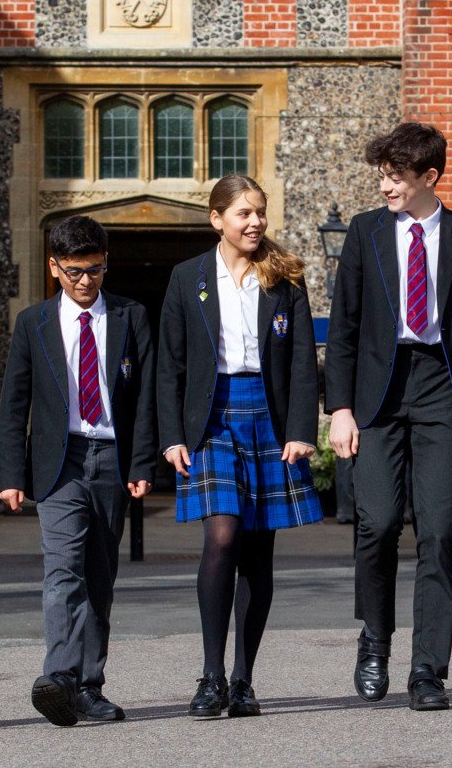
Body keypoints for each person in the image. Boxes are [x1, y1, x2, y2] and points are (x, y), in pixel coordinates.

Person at [324, 122, 452, 711]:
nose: (386, 186)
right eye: (382, 175)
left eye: (396, 177)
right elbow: (343, 327)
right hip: (376, 389)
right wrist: (338, 408)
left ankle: (428, 669)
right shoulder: (365, 232)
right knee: (375, 523)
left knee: (441, 531)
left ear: (429, 177)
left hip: (439, 391)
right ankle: (374, 640)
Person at [157, 174, 322, 719]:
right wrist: (172, 435)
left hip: (270, 418)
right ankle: (210, 676)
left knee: (257, 548)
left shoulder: (285, 278)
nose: (255, 223)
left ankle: (243, 678)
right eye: (243, 214)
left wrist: (302, 428)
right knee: (222, 536)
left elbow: (302, 361)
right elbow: (170, 365)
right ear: (216, 219)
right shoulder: (187, 278)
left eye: (260, 213)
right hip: (212, 418)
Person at [0, 215, 156, 726]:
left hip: (111, 458)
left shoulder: (132, 317)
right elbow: (13, 403)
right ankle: (60, 677)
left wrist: (142, 462)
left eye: (95, 269)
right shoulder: (33, 323)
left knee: (99, 577)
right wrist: (10, 474)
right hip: (58, 461)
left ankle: (89, 686)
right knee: (62, 569)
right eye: (74, 271)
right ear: (54, 267)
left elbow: (147, 399)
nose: (86, 281)